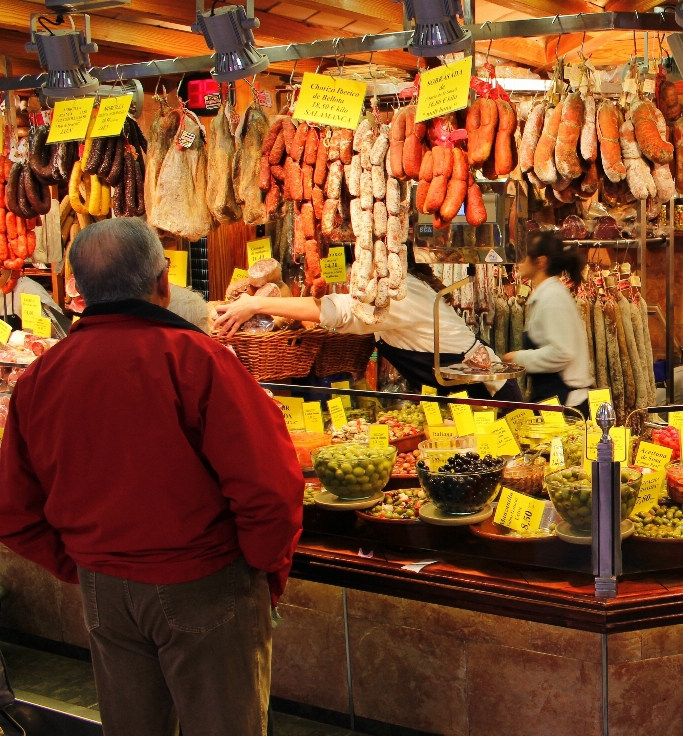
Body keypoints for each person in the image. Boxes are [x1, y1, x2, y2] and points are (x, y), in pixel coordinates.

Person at [0, 218, 304, 736]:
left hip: (105, 592)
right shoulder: (198, 360)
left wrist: (84, 566)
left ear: (77, 290)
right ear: (162, 282)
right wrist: (260, 568)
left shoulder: (41, 377)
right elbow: (271, 490)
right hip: (206, 583)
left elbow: (12, 511)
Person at [214, 255, 523, 402]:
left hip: (488, 394)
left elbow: (334, 311)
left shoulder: (398, 294)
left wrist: (254, 306)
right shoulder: (396, 286)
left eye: (365, 257)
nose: (357, 270)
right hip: (460, 392)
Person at [503, 232, 592, 416]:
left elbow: (562, 352)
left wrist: (518, 358)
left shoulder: (552, 298)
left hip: (567, 405)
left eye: (525, 256)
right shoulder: (549, 294)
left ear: (541, 261)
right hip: (556, 401)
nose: (519, 262)